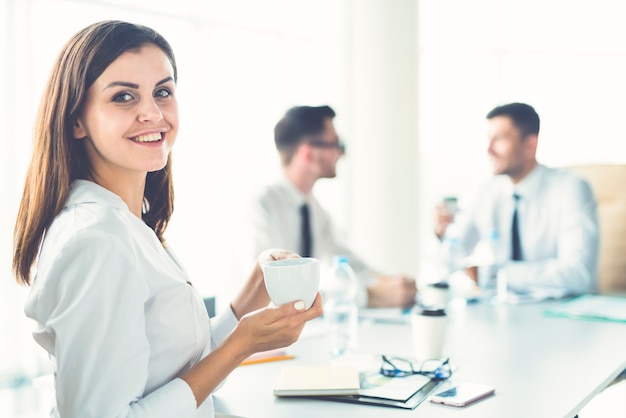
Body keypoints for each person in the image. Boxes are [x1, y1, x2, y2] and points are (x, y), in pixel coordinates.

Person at [11, 20, 322, 417]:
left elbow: (176, 376)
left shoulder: (126, 224)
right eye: (123, 97)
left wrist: (249, 299)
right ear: (76, 121)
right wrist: (241, 344)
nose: (152, 113)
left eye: (162, 92)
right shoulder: (95, 241)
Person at [231, 105, 417, 309]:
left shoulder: (313, 209)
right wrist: (368, 296)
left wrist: (391, 283)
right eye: (336, 144)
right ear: (308, 154)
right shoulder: (260, 206)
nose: (341, 154)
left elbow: (347, 262)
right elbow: (271, 296)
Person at [434, 102, 599, 296]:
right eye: (489, 140)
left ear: (530, 145)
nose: (489, 150)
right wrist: (443, 236)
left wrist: (497, 274)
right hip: (505, 310)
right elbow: (452, 262)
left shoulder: (570, 188)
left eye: (500, 139)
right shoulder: (487, 193)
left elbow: (577, 275)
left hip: (562, 313)